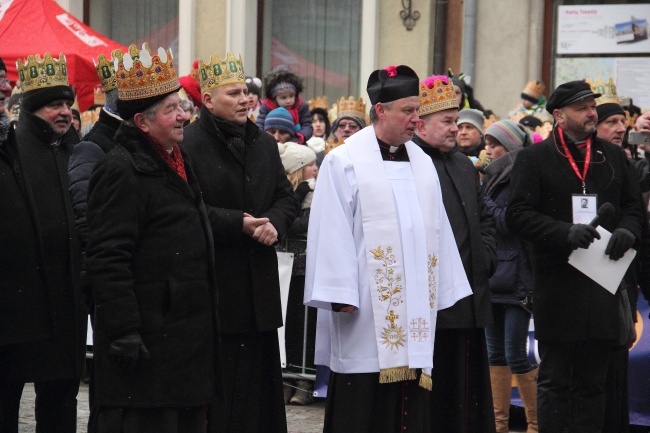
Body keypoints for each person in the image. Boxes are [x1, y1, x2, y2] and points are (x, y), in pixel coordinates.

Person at [305, 65, 473, 433]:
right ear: (381, 111)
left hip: (415, 310)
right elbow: (330, 230)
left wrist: (443, 292)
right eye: (408, 111)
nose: (417, 119)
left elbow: (437, 230)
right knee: (363, 401)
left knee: (410, 401)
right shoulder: (344, 161)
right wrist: (340, 293)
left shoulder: (422, 163)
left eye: (418, 110)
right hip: (363, 307)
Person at [84, 43, 222, 433]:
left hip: (180, 337)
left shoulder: (176, 157)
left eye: (182, 106)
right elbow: (108, 255)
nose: (183, 116)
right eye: (171, 110)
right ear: (142, 123)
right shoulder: (121, 169)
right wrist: (123, 329)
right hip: (148, 338)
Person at [506, 80, 644, 433]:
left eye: (592, 106)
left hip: (603, 284)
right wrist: (562, 232)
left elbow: (633, 208)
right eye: (582, 107)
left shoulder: (612, 157)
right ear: (558, 115)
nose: (591, 113)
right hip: (557, 285)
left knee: (592, 384)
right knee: (555, 382)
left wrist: (629, 231)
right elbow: (517, 214)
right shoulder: (534, 158)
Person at [182, 51, 297, 433]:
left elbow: (285, 195)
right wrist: (239, 224)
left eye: (246, 92)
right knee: (221, 398)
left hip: (259, 290)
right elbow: (187, 207)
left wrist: (274, 225)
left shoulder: (263, 143)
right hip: (216, 286)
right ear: (208, 100)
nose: (245, 99)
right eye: (233, 93)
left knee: (258, 396)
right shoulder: (190, 144)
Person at [0, 53, 85, 433]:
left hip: (67, 301)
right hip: (22, 303)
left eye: (67, 103)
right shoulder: (13, 149)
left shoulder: (74, 150)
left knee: (61, 401)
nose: (65, 112)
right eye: (55, 105)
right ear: (33, 109)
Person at [413, 74, 498, 433]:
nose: (455, 129)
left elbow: (485, 219)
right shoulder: (409, 163)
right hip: (430, 307)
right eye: (447, 122)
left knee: (466, 398)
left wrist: (485, 256)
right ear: (421, 124)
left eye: (457, 121)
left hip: (471, 299)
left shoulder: (465, 165)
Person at [480, 120, 537, 433]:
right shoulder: (491, 177)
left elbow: (510, 221)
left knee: (516, 354)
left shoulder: (521, 176)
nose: (488, 149)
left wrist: (481, 200)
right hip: (494, 277)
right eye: (487, 143)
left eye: (495, 143)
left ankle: (535, 424)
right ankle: (498, 424)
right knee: (495, 354)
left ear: (511, 146)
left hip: (518, 280)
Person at [276, 141, 318, 405]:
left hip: (305, 267)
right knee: (286, 326)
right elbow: (281, 221)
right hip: (283, 266)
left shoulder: (316, 193)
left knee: (306, 327)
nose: (315, 168)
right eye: (310, 165)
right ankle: (285, 378)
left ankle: (304, 380)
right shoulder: (280, 193)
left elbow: (301, 224)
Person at [256, 67, 312, 143]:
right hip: (272, 141)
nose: (288, 101)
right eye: (283, 97)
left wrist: (301, 136)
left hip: (297, 141)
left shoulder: (301, 106)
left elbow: (307, 125)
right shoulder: (267, 107)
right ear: (274, 98)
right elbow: (260, 124)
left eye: (291, 96)